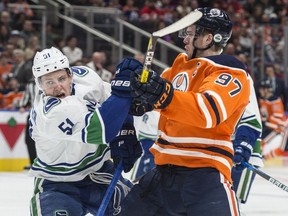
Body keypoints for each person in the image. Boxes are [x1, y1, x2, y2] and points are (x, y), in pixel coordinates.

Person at [120, 7, 251, 216]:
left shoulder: (229, 71)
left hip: (204, 176)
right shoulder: (175, 69)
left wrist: (162, 96)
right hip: (162, 175)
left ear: (208, 38)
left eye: (191, 34)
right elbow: (159, 103)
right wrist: (138, 98)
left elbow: (207, 111)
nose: (185, 40)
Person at [28, 47, 143, 215]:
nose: (58, 87)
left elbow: (113, 99)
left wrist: (125, 131)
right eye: (49, 82)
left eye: (61, 78)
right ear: (40, 85)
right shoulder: (48, 112)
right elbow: (101, 128)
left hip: (99, 172)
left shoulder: (86, 78)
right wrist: (124, 87)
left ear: (70, 75)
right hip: (58, 184)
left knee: (143, 209)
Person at [258, 79, 287, 159]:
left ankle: (264, 157)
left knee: (264, 145)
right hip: (268, 127)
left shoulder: (275, 101)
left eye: (262, 89)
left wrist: (265, 122)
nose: (260, 91)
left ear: (267, 90)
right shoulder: (262, 100)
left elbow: (279, 121)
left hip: (278, 129)